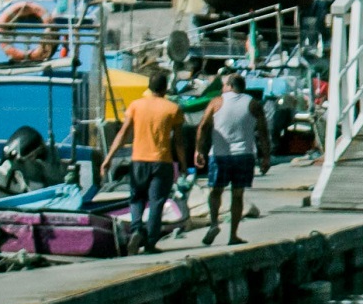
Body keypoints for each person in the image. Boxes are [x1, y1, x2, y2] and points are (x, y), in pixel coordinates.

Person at [99, 66, 185, 252]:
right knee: (156, 202)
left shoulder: (136, 105)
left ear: (150, 87)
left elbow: (122, 134)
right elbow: (178, 141)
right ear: (165, 89)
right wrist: (184, 164)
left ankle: (137, 229)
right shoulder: (173, 109)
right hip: (162, 162)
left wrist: (108, 158)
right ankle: (151, 243)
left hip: (138, 160)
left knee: (137, 198)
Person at [197, 70, 264, 246]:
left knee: (215, 191)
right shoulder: (253, 104)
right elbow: (263, 133)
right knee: (237, 195)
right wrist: (266, 157)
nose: (222, 88)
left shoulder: (216, 102)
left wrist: (198, 150)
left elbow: (203, 126)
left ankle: (213, 223)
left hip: (219, 155)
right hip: (244, 155)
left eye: (224, 85)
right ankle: (233, 235)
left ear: (231, 86)